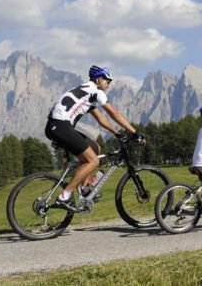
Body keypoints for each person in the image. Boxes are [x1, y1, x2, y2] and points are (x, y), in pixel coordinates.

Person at [46, 65, 141, 211]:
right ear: (99, 79)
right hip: (60, 126)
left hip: (57, 126)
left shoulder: (86, 91)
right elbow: (114, 114)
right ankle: (64, 196)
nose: (109, 86)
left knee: (96, 148)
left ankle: (84, 190)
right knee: (93, 160)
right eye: (107, 81)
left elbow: (101, 120)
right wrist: (134, 132)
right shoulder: (96, 91)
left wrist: (117, 133)